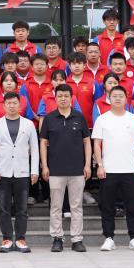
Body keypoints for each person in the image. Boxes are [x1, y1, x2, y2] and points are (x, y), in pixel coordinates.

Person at [91, 86, 134, 251]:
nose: (117, 98)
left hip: (130, 170)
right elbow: (97, 144)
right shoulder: (102, 119)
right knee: (107, 206)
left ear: (126, 98)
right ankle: (108, 238)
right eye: (114, 96)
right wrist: (100, 165)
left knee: (133, 206)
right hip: (108, 170)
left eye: (121, 96)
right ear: (109, 98)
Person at [38, 84, 91, 252]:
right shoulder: (49, 118)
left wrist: (87, 164)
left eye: (66, 96)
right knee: (56, 206)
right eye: (60, 96)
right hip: (55, 170)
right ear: (55, 98)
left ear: (71, 98)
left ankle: (77, 239)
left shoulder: (79, 117)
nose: (63, 99)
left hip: (77, 169)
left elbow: (87, 142)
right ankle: (57, 238)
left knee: (76, 206)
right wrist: (44, 165)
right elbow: (43, 143)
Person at [0, 91, 39, 253]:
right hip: (2, 172)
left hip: (22, 171)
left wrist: (34, 170)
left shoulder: (28, 124)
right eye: (8, 103)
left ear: (20, 105)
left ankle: (21, 239)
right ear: (4, 105)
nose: (12, 106)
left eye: (14, 103)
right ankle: (7, 239)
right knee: (3, 208)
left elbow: (35, 149)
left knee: (22, 208)